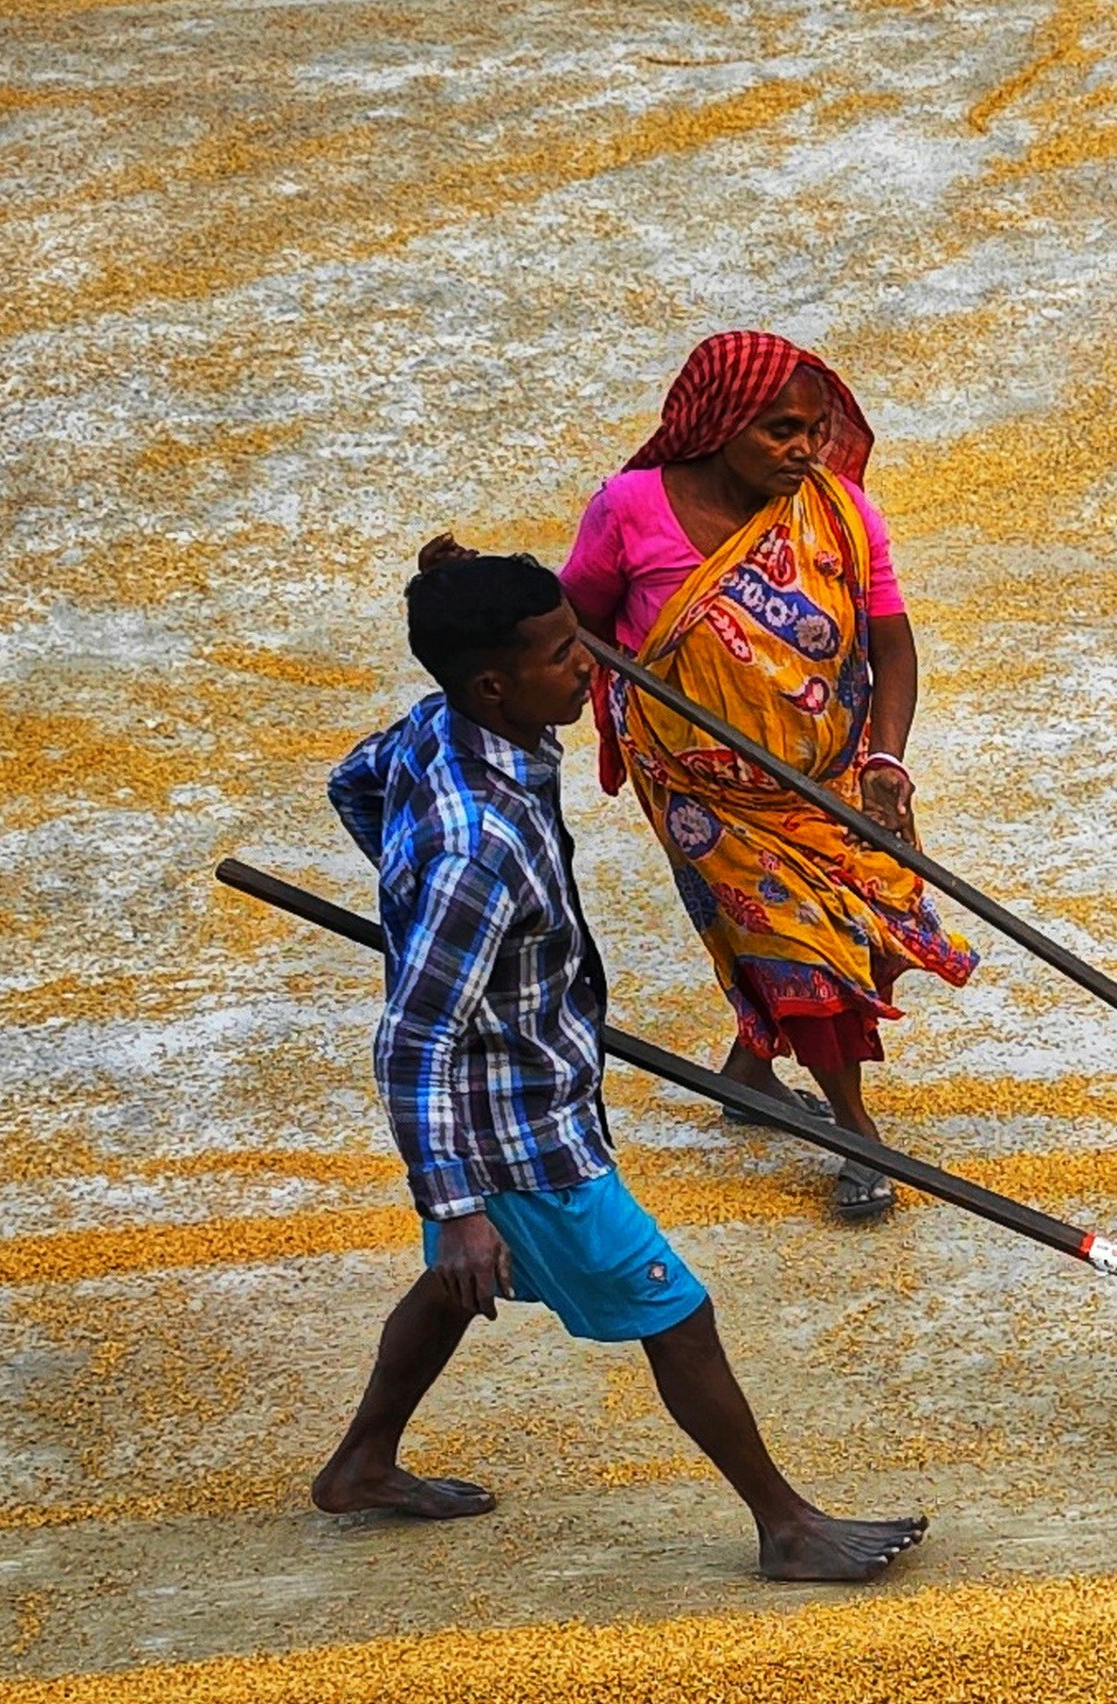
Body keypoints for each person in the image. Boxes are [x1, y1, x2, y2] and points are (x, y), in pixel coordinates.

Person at [310, 537, 930, 1584]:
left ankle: (361, 1462)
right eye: (563, 654)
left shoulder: (440, 730)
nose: (590, 663)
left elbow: (352, 784)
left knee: (452, 1288)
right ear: (494, 685)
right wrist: (456, 1204)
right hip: (521, 1132)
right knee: (677, 1314)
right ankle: (786, 1525)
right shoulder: (475, 850)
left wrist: (426, 918)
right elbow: (413, 1042)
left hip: (514, 1089)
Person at [562, 330, 972, 1223]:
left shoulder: (840, 512)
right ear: (719, 423)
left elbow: (892, 643)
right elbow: (578, 619)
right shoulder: (630, 510)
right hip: (700, 784)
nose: (805, 450)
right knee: (800, 944)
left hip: (830, 773)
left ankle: (750, 1071)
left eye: (815, 431)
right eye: (781, 430)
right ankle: (858, 1138)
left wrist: (886, 761)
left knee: (874, 926)